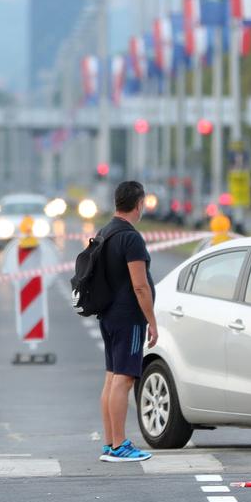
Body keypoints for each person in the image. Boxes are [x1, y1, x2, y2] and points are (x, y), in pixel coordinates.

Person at [96, 179, 158, 463]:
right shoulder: (130, 238)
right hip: (128, 317)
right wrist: (152, 322)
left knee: (112, 377)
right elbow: (140, 285)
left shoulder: (105, 231)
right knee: (124, 379)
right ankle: (120, 445)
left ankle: (110, 443)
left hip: (108, 313)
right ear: (139, 204)